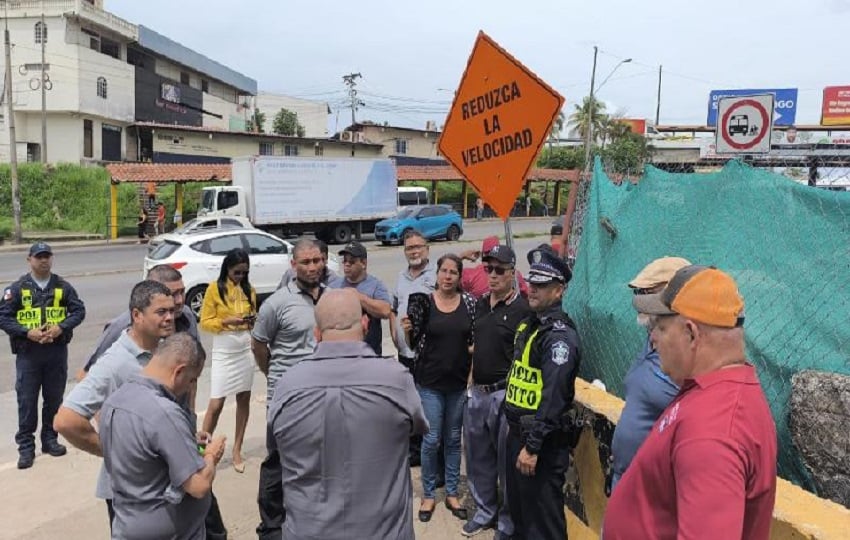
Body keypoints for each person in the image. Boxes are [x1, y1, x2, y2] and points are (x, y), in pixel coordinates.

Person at [603, 265, 778, 539]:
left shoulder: (714, 432)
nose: (653, 338)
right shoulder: (712, 392)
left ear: (691, 334)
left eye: (660, 328)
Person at [74, 265, 228, 538]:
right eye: (166, 304)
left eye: (179, 297)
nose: (175, 309)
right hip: (143, 491)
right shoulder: (119, 347)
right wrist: (116, 446)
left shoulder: (184, 320)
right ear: (138, 314)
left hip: (177, 463)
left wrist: (186, 432)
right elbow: (67, 417)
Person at [269, 289, 429, 539]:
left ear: (316, 334)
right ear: (365, 324)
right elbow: (419, 427)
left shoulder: (286, 386)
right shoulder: (396, 380)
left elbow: (276, 447)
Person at [54, 280, 175, 529]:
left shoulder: (160, 351)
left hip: (159, 484)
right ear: (137, 315)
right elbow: (65, 420)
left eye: (172, 311)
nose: (170, 318)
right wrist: (113, 450)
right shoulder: (116, 361)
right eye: (161, 312)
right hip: (129, 493)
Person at [99, 333, 226, 540]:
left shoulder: (114, 401)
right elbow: (199, 485)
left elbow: (141, 452)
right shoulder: (165, 411)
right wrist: (212, 455)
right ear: (179, 372)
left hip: (126, 524)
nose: (190, 387)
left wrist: (185, 442)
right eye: (192, 380)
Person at [503, 245, 580, 540]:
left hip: (540, 446)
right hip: (517, 436)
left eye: (541, 285)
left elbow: (554, 398)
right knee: (522, 518)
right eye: (531, 283)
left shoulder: (559, 337)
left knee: (543, 525)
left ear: (558, 291)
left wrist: (533, 447)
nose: (531, 289)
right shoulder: (531, 325)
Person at [252, 239, 326, 540]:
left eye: (317, 260)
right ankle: (272, 526)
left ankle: (310, 518)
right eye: (305, 262)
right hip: (286, 399)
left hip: (320, 396)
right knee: (277, 462)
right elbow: (258, 344)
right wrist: (274, 376)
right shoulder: (276, 303)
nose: (312, 267)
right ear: (293, 265)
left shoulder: (333, 298)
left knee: (317, 459)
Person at [462, 244, 532, 538]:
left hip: (504, 395)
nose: (492, 275)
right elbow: (475, 347)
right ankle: (484, 511)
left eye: (499, 270)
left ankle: (506, 523)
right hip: (477, 393)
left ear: (512, 273)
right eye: (488, 269)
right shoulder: (479, 304)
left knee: (506, 463)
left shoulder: (523, 310)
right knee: (478, 458)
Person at [402, 253, 476, 523]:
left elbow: (473, 340)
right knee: (432, 440)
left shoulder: (468, 303)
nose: (447, 277)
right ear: (437, 274)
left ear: (459, 277)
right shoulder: (424, 302)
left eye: (453, 272)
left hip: (457, 384)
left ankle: (453, 493)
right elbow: (412, 345)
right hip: (429, 383)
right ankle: (429, 494)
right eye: (443, 271)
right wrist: (407, 330)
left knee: (453, 440)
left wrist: (471, 372)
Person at [0, 242, 86, 470]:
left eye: (47, 256)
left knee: (53, 400)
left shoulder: (62, 287)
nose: (43, 260)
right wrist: (27, 332)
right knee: (27, 402)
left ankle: (50, 440)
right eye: (39, 257)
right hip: (29, 354)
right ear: (29, 260)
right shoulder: (17, 289)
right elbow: (4, 317)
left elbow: (79, 311)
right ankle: (26, 448)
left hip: (56, 353)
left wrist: (62, 327)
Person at [609, 257, 688, 491]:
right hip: (625, 476)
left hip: (653, 486)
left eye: (647, 292)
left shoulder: (686, 356)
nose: (639, 300)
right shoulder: (652, 339)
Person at [199, 248, 257, 474]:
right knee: (216, 403)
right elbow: (205, 321)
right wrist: (226, 321)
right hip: (224, 347)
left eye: (244, 273)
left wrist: (250, 321)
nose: (240, 277)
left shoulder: (248, 289)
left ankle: (237, 450)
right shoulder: (214, 289)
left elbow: (254, 317)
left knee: (244, 398)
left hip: (245, 346)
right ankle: (201, 451)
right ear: (227, 268)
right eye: (236, 272)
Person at [390, 230, 437, 467]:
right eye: (410, 248)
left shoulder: (437, 275)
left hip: (426, 353)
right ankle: (414, 449)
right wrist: (393, 333)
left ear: (427, 249)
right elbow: (394, 307)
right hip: (404, 353)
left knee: (426, 401)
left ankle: (429, 449)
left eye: (419, 246)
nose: (414, 251)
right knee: (408, 400)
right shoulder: (401, 277)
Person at [328, 241, 391, 354]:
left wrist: (358, 297)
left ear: (363, 263)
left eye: (351, 261)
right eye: (345, 261)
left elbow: (386, 311)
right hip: (341, 352)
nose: (347, 264)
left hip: (369, 353)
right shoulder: (334, 286)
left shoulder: (375, 285)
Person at [461, 236, 528, 299]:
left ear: (482, 255)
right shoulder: (512, 273)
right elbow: (527, 296)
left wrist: (462, 256)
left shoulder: (471, 274)